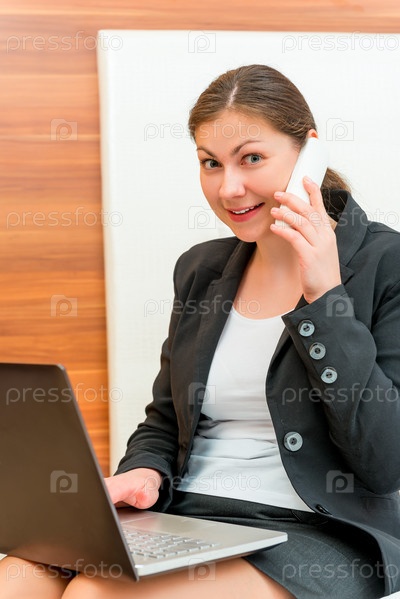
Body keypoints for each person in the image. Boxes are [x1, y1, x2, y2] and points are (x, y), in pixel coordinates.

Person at [1, 63, 400, 599]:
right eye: (211, 163)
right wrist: (145, 472)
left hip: (319, 531)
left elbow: (385, 462)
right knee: (15, 579)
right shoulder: (201, 269)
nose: (229, 188)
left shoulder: (385, 264)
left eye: (251, 158)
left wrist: (326, 297)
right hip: (190, 515)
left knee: (95, 594)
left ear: (310, 150)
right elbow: (165, 419)